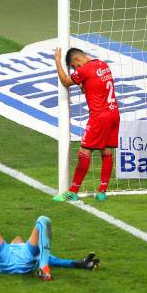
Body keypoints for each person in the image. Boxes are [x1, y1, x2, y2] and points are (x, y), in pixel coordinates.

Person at [52, 47, 120, 203]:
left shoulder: (84, 70)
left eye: (74, 67)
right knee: (107, 151)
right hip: (114, 113)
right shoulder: (103, 65)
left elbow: (65, 81)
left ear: (76, 60)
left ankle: (73, 192)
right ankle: (102, 191)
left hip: (99, 117)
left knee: (84, 152)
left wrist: (57, 60)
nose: (76, 70)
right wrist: (84, 86)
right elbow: (93, 85)